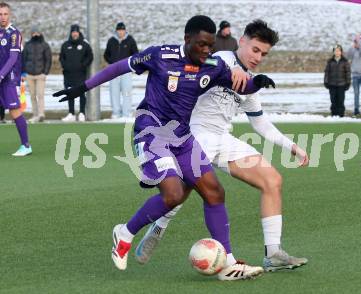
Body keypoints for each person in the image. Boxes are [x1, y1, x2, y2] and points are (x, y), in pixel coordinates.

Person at [53, 15, 276, 280]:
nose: (207, 51)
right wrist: (83, 87)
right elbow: (119, 67)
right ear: (187, 39)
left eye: (211, 45)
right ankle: (124, 233)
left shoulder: (213, 65)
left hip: (182, 136)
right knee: (172, 194)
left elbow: (240, 84)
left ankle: (227, 263)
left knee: (214, 192)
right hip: (151, 132)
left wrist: (256, 82)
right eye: (202, 45)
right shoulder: (160, 55)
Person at [135, 19, 309, 273]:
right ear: (242, 42)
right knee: (182, 191)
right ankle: (158, 227)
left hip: (222, 138)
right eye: (255, 50)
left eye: (264, 54)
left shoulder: (249, 81)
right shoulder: (218, 59)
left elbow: (260, 123)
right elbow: (198, 64)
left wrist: (291, 145)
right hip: (193, 133)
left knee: (272, 180)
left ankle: (273, 254)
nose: (258, 57)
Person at [0, 2, 31, 156]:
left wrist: (0, 75)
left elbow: (13, 58)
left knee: (14, 111)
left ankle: (26, 145)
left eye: (5, 14)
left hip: (9, 78)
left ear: (9, 15)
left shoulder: (14, 33)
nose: (3, 17)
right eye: (0, 14)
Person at [104, 22, 138, 119]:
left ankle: (126, 113)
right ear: (116, 31)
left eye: (122, 30)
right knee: (114, 92)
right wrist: (111, 62)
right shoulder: (111, 41)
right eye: (119, 30)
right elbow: (106, 55)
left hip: (126, 71)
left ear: (125, 30)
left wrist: (130, 64)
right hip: (113, 71)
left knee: (126, 92)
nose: (121, 32)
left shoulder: (130, 40)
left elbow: (136, 54)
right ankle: (116, 113)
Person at [59, 24, 93, 122]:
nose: (74, 34)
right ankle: (71, 113)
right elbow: (61, 57)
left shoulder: (84, 45)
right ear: (71, 33)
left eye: (76, 32)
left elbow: (90, 56)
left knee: (81, 94)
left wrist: (83, 65)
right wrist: (65, 66)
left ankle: (82, 113)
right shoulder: (66, 45)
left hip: (80, 74)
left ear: (79, 33)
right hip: (68, 74)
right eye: (73, 32)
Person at [22, 25, 52, 123]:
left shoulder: (45, 45)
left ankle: (41, 114)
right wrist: (23, 73)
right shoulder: (27, 45)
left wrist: (45, 72)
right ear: (31, 34)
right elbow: (23, 59)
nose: (35, 34)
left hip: (40, 75)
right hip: (29, 75)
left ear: (40, 33)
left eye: (37, 32)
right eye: (33, 33)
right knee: (32, 95)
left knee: (40, 95)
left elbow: (48, 60)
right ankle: (35, 114)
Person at [324, 44, 351, 117]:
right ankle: (334, 115)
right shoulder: (330, 61)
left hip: (341, 85)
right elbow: (327, 72)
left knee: (340, 101)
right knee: (333, 101)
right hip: (332, 84)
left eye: (338, 51)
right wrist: (326, 82)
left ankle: (341, 115)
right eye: (335, 51)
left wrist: (348, 83)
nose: (337, 52)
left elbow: (348, 73)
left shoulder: (345, 61)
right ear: (333, 52)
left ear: (341, 52)